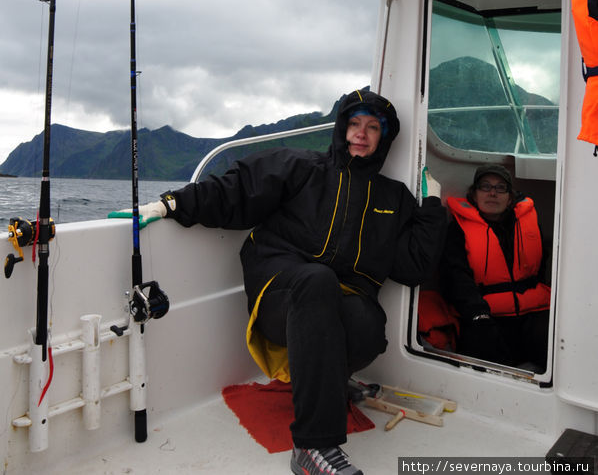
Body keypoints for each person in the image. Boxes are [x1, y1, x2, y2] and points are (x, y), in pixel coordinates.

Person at [124, 89, 446, 475]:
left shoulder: (392, 199)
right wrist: (173, 203)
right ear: (343, 129)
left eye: (373, 127)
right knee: (316, 280)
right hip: (281, 292)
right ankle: (314, 446)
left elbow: (413, 267)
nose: (362, 133)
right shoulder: (303, 168)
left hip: (336, 301)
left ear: (384, 137)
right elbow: (239, 190)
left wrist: (431, 210)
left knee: (368, 328)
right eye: (355, 124)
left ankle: (328, 385)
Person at [441, 163, 551, 371]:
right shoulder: (458, 230)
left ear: (510, 198)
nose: (493, 193)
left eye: (501, 188)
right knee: (483, 345)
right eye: (485, 186)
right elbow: (456, 278)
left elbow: (541, 266)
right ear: (474, 195)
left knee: (557, 341)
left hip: (532, 312)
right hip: (486, 315)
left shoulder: (526, 225)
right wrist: (478, 315)